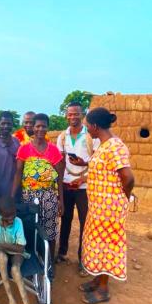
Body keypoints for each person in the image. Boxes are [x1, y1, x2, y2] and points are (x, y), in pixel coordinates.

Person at [70, 107, 135, 304]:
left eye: (88, 125)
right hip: (99, 208)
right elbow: (102, 171)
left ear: (95, 126)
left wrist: (121, 198)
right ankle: (97, 279)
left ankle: (103, 289)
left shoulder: (115, 146)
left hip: (109, 210)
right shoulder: (104, 145)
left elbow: (128, 177)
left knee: (106, 246)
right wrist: (83, 172)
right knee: (97, 244)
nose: (87, 129)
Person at [11, 113, 64, 261]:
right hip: (28, 196)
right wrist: (11, 197)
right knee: (29, 229)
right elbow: (18, 174)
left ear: (48, 128)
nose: (41, 129)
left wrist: (61, 200)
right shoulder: (24, 149)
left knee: (50, 231)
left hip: (49, 197)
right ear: (32, 128)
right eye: (37, 126)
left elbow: (59, 178)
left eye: (44, 126)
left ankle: (49, 263)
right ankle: (31, 261)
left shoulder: (53, 150)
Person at [56, 102, 100, 274]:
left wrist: (82, 176)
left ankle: (83, 259)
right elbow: (60, 162)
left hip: (84, 186)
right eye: (70, 114)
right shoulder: (62, 137)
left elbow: (96, 162)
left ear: (82, 115)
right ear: (66, 115)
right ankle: (62, 253)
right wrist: (60, 183)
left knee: (85, 222)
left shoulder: (91, 136)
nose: (72, 117)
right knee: (65, 219)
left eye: (76, 114)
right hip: (67, 184)